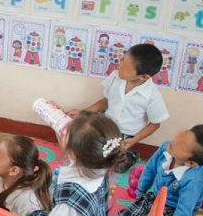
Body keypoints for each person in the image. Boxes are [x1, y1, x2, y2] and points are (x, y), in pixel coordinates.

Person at [67, 43, 168, 172]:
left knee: (115, 166)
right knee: (85, 149)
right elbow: (106, 101)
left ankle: (131, 154)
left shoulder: (152, 95)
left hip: (126, 137)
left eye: (125, 66)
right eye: (122, 60)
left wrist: (135, 140)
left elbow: (155, 124)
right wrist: (83, 112)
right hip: (106, 126)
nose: (119, 65)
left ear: (143, 77)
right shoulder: (115, 77)